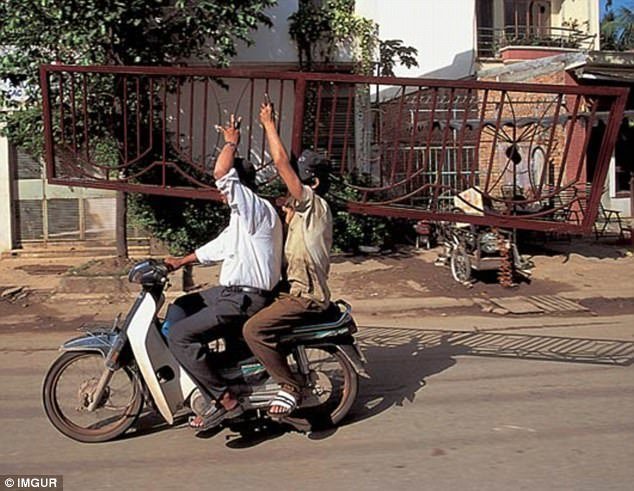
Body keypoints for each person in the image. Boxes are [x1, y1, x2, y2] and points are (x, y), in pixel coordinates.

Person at [164, 114, 283, 431]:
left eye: (227, 188)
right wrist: (180, 261)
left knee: (179, 335)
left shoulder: (254, 206)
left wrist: (231, 142)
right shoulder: (243, 219)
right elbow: (218, 247)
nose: (221, 192)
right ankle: (217, 370)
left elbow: (221, 172)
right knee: (183, 306)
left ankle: (225, 400)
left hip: (243, 299)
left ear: (239, 186)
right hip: (232, 294)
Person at [243, 100, 333, 418]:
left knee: (253, 330)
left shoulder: (316, 204)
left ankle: (289, 384)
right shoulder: (300, 213)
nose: (290, 184)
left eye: (299, 177)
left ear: (314, 183)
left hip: (305, 297)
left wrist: (268, 125)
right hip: (291, 289)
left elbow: (281, 164)